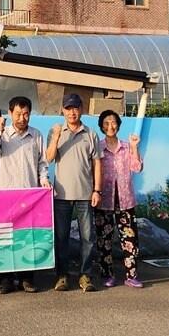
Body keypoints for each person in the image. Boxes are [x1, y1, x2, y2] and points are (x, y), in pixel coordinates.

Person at [0, 95, 49, 294]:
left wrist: (44, 179)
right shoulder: (2, 134)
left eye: (26, 113)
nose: (22, 118)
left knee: (28, 237)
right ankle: (5, 279)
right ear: (10, 113)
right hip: (6, 196)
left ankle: (26, 278)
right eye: (18, 113)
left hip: (30, 196)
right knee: (6, 238)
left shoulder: (36, 135)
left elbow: (42, 162)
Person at [46, 93, 102, 293]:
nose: (72, 112)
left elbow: (96, 162)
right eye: (68, 108)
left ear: (82, 109)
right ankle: (62, 275)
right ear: (62, 110)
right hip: (61, 195)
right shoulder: (56, 132)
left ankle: (85, 275)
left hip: (85, 195)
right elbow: (49, 158)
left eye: (75, 108)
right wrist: (56, 137)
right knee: (61, 237)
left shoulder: (90, 134)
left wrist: (97, 190)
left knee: (88, 237)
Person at [95, 110, 144, 289]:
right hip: (104, 201)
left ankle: (132, 276)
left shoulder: (126, 147)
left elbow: (137, 167)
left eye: (114, 122)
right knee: (104, 241)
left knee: (130, 240)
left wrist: (134, 147)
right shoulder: (98, 148)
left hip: (125, 201)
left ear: (118, 125)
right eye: (106, 122)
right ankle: (107, 275)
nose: (110, 126)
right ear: (101, 126)